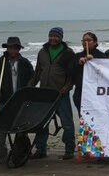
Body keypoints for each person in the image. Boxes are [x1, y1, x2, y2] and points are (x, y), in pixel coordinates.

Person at [31, 27, 79, 158]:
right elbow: (37, 72)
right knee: (41, 123)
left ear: (61, 38)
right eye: (51, 36)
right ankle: (41, 150)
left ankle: (69, 150)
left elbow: (72, 74)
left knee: (67, 123)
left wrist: (67, 87)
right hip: (44, 94)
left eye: (56, 36)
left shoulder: (68, 52)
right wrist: (29, 87)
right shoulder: (42, 51)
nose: (53, 38)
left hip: (60, 94)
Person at [0, 36, 35, 104]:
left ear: (19, 49)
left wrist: (28, 90)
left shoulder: (24, 62)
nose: (12, 50)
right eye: (10, 48)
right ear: (7, 49)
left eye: (15, 48)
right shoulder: (2, 61)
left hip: (21, 98)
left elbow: (32, 78)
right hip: (4, 98)